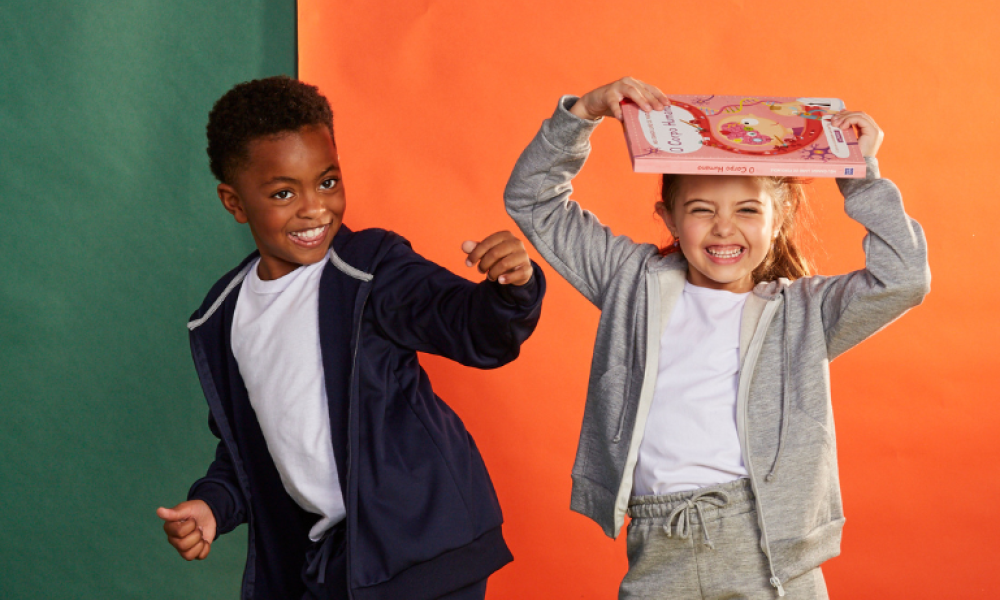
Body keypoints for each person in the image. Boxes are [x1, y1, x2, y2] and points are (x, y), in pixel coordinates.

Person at [504, 77, 929, 599]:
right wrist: (584, 113)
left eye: (747, 210)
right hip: (660, 543)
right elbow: (533, 202)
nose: (724, 229)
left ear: (779, 221)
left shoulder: (802, 313)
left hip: (769, 548)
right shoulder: (631, 283)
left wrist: (859, 178)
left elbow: (903, 277)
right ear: (670, 219)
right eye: (702, 209)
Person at [156, 76, 545, 600]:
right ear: (235, 202)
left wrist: (510, 289)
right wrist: (211, 504)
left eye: (328, 182)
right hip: (337, 562)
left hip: (424, 546)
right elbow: (248, 447)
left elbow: (471, 328)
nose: (315, 208)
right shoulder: (223, 318)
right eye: (283, 193)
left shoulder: (370, 268)